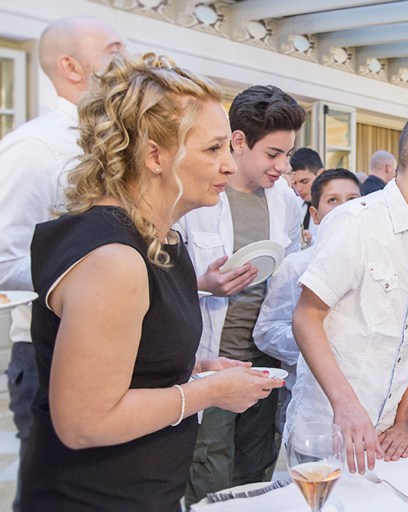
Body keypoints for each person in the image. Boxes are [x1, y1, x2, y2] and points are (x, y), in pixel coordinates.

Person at [20, 52, 283, 511]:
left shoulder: (158, 240)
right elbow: (84, 421)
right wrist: (211, 392)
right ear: (155, 155)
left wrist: (197, 370)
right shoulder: (114, 259)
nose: (228, 164)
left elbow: (131, 366)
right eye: (213, 148)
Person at [286, 102, 408, 474]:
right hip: (327, 433)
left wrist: (407, 420)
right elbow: (306, 318)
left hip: (386, 439)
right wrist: (346, 406)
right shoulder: (355, 222)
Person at [0, 16, 124, 511]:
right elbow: (3, 258)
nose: (128, 63)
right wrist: (89, 284)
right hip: (49, 351)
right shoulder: (36, 148)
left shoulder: (115, 142)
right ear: (71, 66)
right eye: (114, 51)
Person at [176, 84, 305, 506]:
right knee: (209, 467)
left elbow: (289, 272)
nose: (284, 167)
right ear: (238, 142)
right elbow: (159, 270)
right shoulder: (199, 193)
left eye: (288, 154)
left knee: (257, 466)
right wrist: (202, 283)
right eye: (273, 154)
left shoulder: (285, 201)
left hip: (264, 359)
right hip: (210, 360)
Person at [253, 168, 361, 430]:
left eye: (353, 200)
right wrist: (318, 345)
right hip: (306, 394)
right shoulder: (295, 266)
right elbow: (266, 332)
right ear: (315, 214)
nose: (344, 208)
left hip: (362, 394)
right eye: (333, 200)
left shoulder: (373, 264)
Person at [290, 147, 324, 246]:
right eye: (294, 183)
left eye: (304, 181)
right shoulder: (293, 204)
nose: (299, 188)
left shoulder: (333, 207)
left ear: (320, 174)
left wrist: (312, 240)